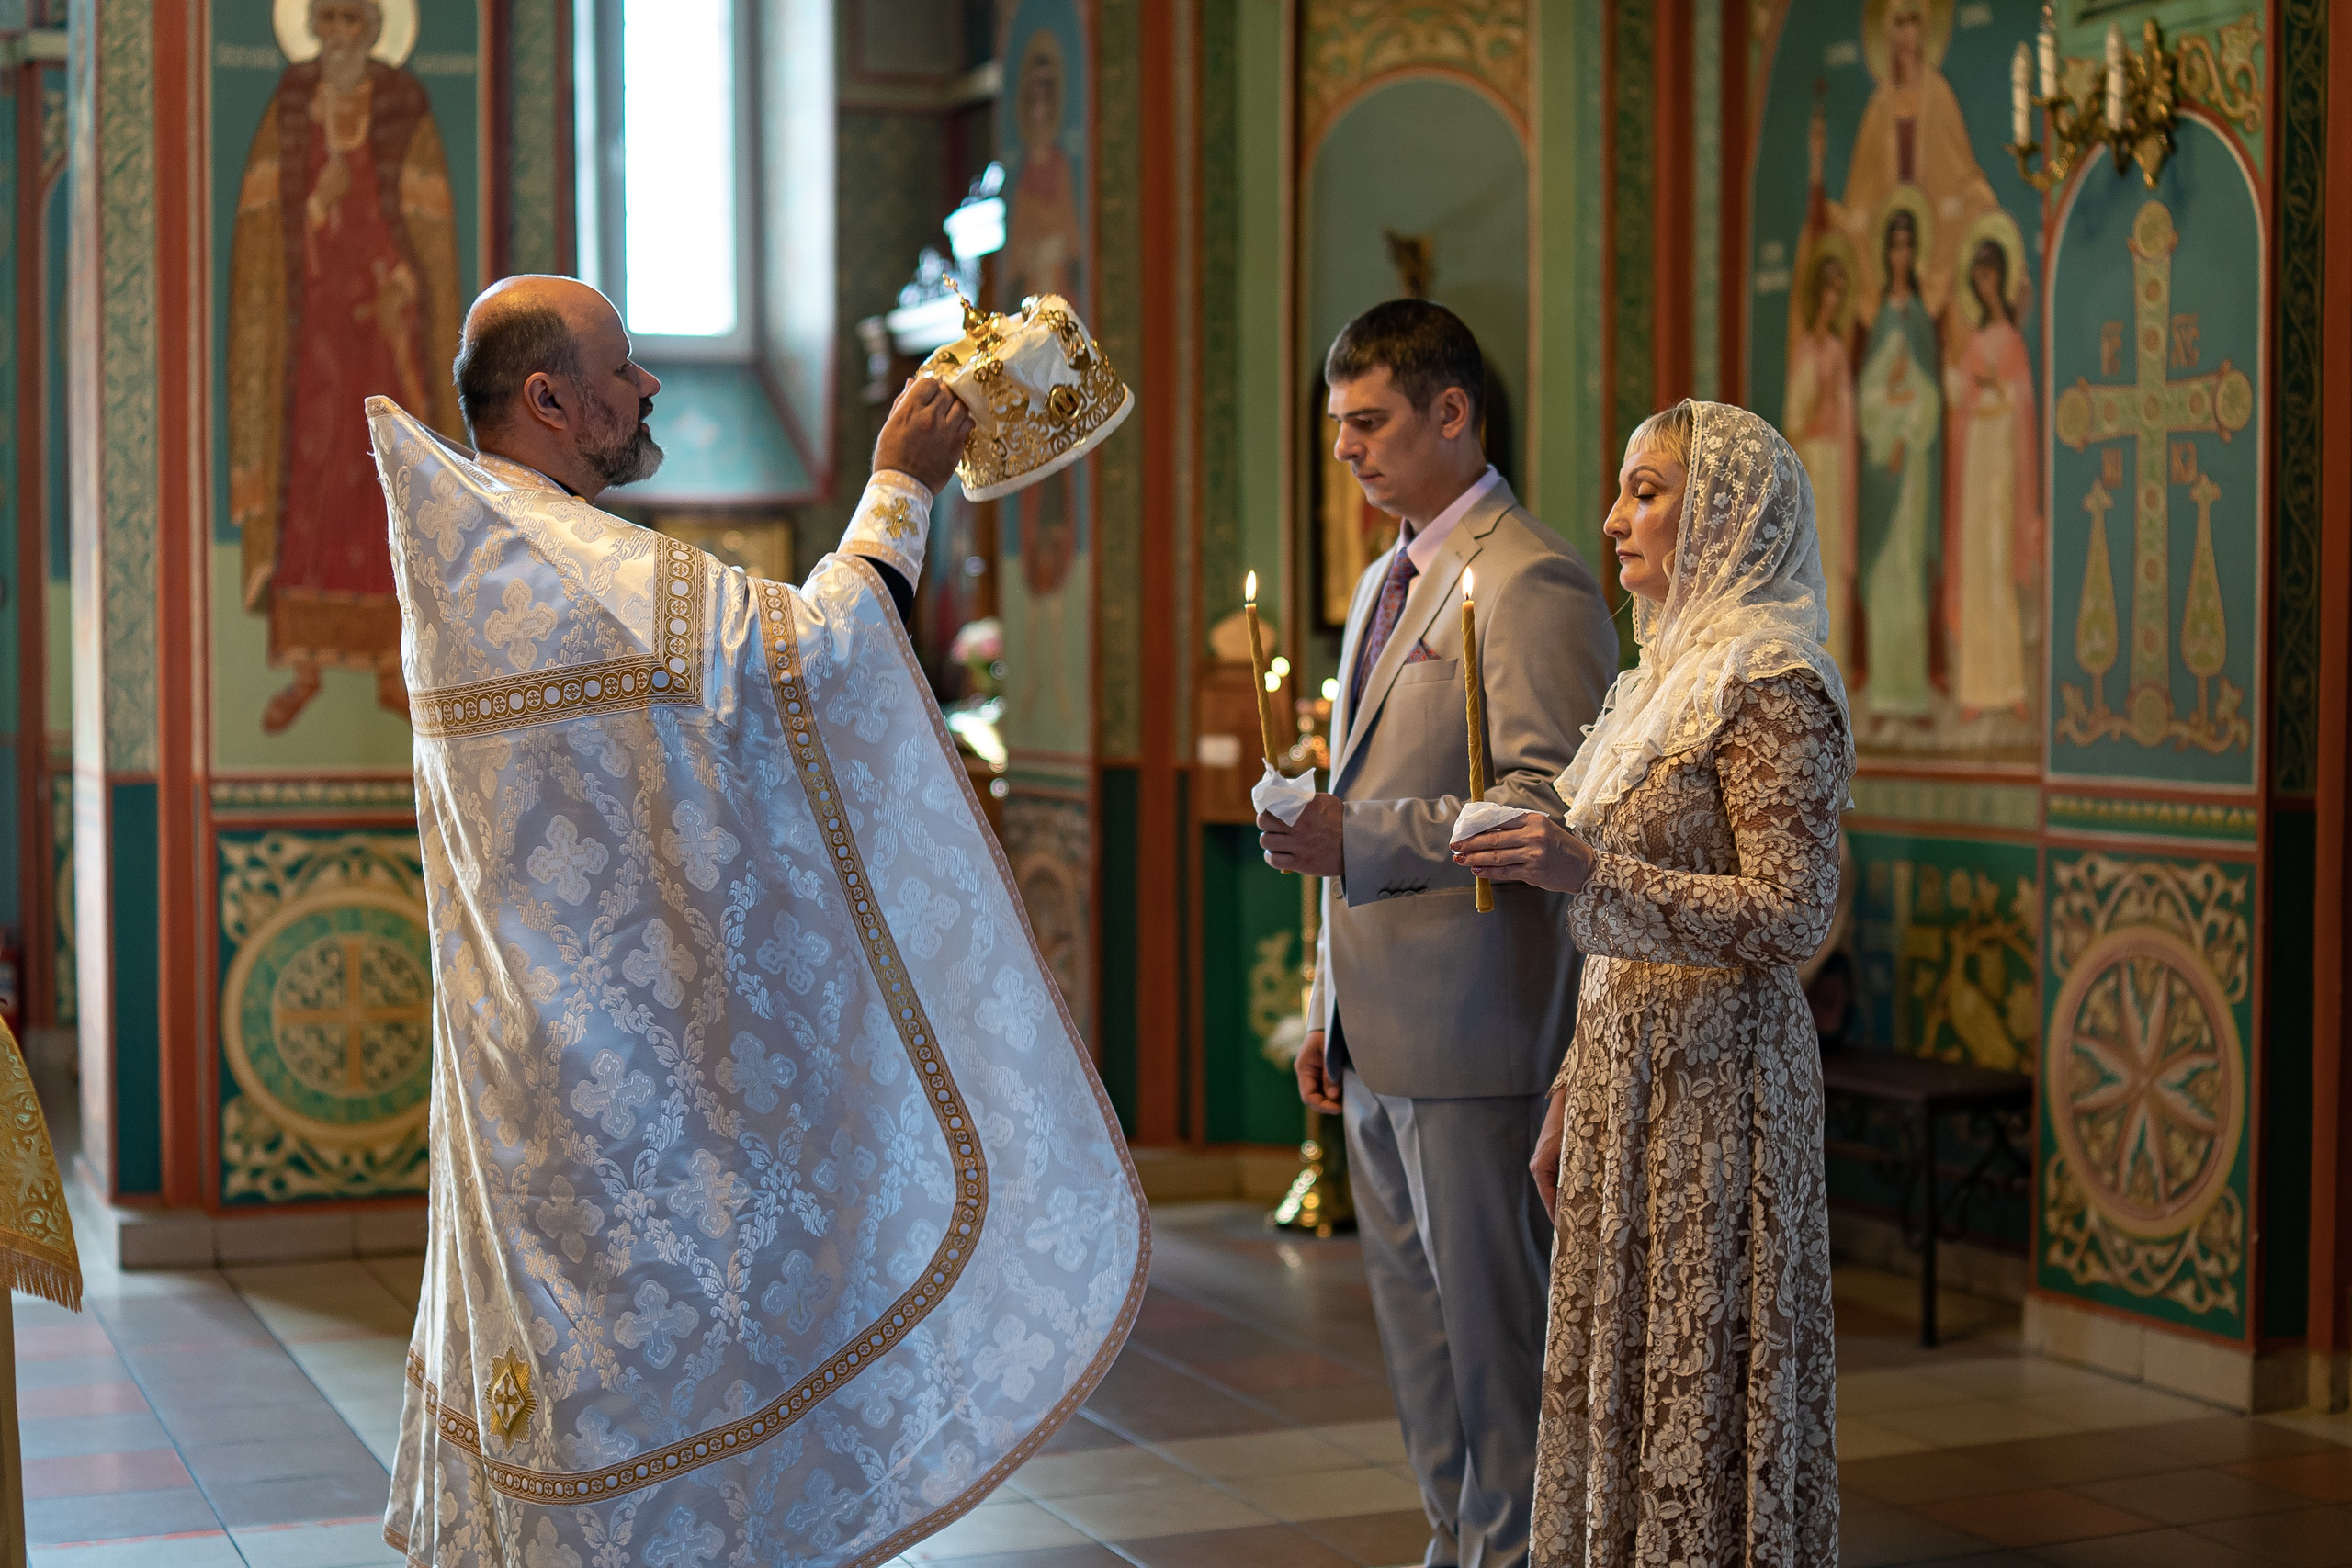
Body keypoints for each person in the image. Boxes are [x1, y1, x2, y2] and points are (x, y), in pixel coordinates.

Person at [373, 276, 1147, 1566]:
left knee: (567, 1412)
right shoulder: (554, 554)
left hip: (540, 1096)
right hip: (624, 1117)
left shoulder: (490, 553)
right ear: (551, 398)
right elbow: (804, 663)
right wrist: (901, 480)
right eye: (622, 366)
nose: (650, 386)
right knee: (640, 1413)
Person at [1455, 400, 1850, 1565]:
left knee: (1699, 1379)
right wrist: (1575, 1078)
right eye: (1623, 490)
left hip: (1722, 1088)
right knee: (1620, 1382)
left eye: (1646, 491)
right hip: (1628, 1073)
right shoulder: (1660, 680)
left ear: (1726, 515)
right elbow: (1623, 931)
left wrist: (1589, 866)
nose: (1615, 518)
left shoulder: (1775, 683)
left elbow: (1791, 914)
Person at [1261, 299, 1616, 1568]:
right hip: (1378, 1029)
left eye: (1370, 422)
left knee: (1495, 1346)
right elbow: (1350, 794)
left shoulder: (1532, 577)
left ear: (1452, 412)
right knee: (1421, 1348)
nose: (1347, 450)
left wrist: (1361, 832)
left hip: (1480, 1031)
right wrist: (1323, 1003)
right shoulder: (1384, 578)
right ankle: (1452, 1545)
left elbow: (1545, 804)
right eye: (1338, 425)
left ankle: (1518, 1551)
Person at [228, 0, 463, 731]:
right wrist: (314, 215)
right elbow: (264, 232)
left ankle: (395, 664)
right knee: (311, 484)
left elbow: (425, 231)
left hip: (382, 340)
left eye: (352, 24)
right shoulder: (292, 105)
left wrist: (401, 282)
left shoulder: (402, 105)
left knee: (377, 485)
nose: (338, 39)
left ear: (370, 31)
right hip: (308, 340)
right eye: (325, 23)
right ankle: (304, 663)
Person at [1942, 226, 2040, 716]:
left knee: (1999, 562)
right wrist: (1966, 383)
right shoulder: (1976, 340)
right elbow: (1960, 400)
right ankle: (1977, 689)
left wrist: (1996, 385)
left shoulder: (2013, 342)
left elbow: (2022, 401)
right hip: (1977, 457)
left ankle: (2012, 686)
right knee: (1978, 564)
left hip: (2002, 457)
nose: (1983, 285)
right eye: (1976, 278)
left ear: (2000, 278)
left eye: (1990, 276)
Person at [1856, 200, 1941, 717]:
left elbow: (1931, 397)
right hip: (1882, 464)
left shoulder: (1922, 322)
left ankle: (1911, 692)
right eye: (1895, 244)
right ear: (1886, 252)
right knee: (1885, 569)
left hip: (1913, 463)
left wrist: (1907, 424)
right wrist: (1889, 419)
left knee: (1909, 567)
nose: (1902, 253)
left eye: (1909, 244)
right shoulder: (1881, 319)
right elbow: (1868, 397)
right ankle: (1886, 689)